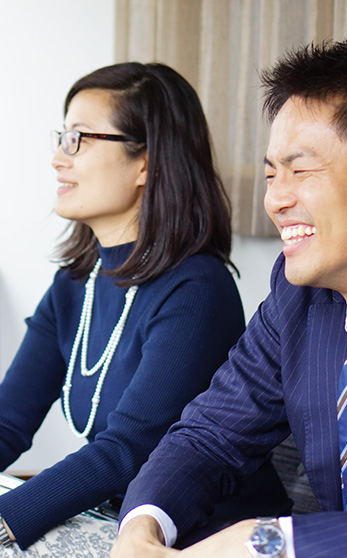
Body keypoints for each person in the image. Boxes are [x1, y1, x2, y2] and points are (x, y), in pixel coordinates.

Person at [111, 32, 347, 558]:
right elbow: (210, 435)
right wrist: (143, 527)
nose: (275, 200)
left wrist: (268, 541)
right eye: (271, 174)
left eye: (300, 171)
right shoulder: (299, 301)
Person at [0, 61, 253, 556]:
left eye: (79, 138)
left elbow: (127, 452)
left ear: (147, 163)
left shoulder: (198, 287)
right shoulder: (76, 284)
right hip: (103, 519)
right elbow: (9, 420)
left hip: (190, 536)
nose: (57, 157)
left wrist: (8, 518)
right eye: (61, 136)